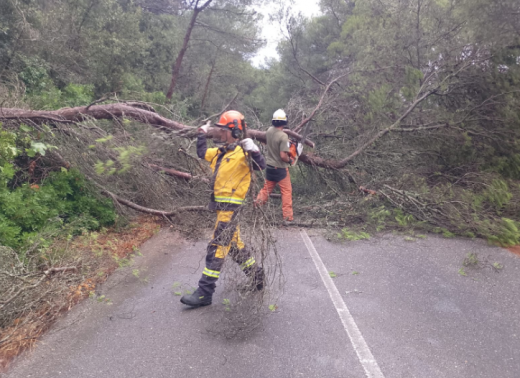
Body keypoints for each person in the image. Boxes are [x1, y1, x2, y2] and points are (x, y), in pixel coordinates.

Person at [180, 110, 266, 308]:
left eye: (222, 130)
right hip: (221, 209)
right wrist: (201, 133)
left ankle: (204, 292)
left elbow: (260, 166)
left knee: (217, 247)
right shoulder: (220, 153)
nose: (218, 133)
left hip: (231, 209)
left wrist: (254, 150)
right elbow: (202, 153)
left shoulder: (243, 153)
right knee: (235, 248)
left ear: (234, 132)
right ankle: (257, 277)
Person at [255, 109, 295, 224]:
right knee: (286, 192)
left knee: (265, 190)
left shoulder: (269, 131)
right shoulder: (283, 136)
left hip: (270, 167)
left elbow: (269, 143)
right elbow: (283, 156)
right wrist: (290, 160)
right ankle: (288, 218)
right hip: (281, 168)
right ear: (284, 122)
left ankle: (255, 208)